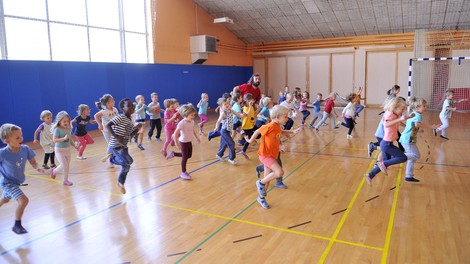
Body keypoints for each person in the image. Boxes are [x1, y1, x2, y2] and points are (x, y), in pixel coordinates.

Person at [250, 105, 300, 209]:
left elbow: (281, 133)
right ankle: (260, 183)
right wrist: (250, 140)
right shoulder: (270, 126)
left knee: (267, 180)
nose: (287, 118)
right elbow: (258, 131)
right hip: (265, 155)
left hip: (271, 155)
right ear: (277, 116)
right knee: (279, 172)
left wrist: (292, 132)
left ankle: (261, 198)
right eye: (285, 117)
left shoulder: (277, 127)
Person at [0, 123, 44, 234]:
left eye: (21, 136)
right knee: (24, 200)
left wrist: (37, 167)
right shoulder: (3, 153)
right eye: (17, 137)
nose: (21, 139)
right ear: (7, 141)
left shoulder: (25, 149)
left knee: (4, 200)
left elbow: (33, 162)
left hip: (17, 182)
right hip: (7, 183)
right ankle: (17, 225)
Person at [364, 98, 414, 185]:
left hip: (388, 143)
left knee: (385, 163)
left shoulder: (395, 114)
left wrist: (409, 117)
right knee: (403, 157)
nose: (403, 111)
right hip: (386, 144)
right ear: (395, 107)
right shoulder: (389, 114)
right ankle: (381, 163)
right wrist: (400, 119)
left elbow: (400, 120)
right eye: (402, 109)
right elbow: (386, 124)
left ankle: (370, 175)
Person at [106, 98, 142, 194]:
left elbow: (129, 135)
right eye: (129, 105)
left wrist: (136, 129)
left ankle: (121, 183)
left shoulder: (130, 121)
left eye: (132, 106)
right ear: (122, 108)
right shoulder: (121, 117)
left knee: (126, 166)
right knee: (129, 161)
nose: (132, 107)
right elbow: (108, 125)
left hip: (123, 146)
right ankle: (111, 159)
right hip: (116, 145)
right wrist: (117, 136)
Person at [400, 97, 439, 182]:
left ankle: (408, 176)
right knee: (416, 155)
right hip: (408, 139)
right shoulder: (417, 115)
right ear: (417, 107)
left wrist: (418, 130)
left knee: (412, 158)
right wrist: (431, 126)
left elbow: (413, 126)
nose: (425, 107)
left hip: (409, 138)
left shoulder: (413, 113)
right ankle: (396, 156)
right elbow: (417, 124)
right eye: (424, 106)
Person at [167, 104, 201, 179]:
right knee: (185, 157)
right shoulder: (182, 123)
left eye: (194, 115)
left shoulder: (192, 121)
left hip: (189, 141)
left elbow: (192, 130)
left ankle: (174, 153)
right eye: (191, 115)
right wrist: (177, 144)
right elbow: (175, 134)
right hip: (183, 142)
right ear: (185, 115)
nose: (193, 117)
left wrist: (197, 138)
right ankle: (183, 172)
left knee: (189, 155)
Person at [51, 111, 79, 186]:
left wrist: (75, 146)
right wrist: (63, 138)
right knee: (64, 165)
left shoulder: (69, 128)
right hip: (59, 151)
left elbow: (69, 139)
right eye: (64, 121)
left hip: (67, 150)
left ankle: (65, 180)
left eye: (67, 121)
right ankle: (55, 171)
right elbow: (55, 140)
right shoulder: (57, 129)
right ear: (59, 121)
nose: (66, 123)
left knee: (67, 166)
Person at [214, 97, 244, 165]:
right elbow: (218, 121)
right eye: (225, 104)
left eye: (227, 103)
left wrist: (242, 115)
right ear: (221, 106)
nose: (227, 105)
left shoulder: (231, 110)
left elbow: (237, 114)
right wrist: (216, 127)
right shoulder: (223, 113)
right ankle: (231, 158)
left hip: (228, 131)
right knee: (231, 143)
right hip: (224, 131)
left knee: (224, 143)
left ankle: (219, 154)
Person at [94, 94, 119, 167]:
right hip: (106, 130)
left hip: (114, 129)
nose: (114, 101)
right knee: (111, 144)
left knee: (115, 144)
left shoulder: (115, 109)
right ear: (107, 103)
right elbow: (96, 116)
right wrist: (100, 124)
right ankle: (110, 160)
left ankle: (111, 158)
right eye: (112, 100)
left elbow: (117, 118)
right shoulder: (104, 111)